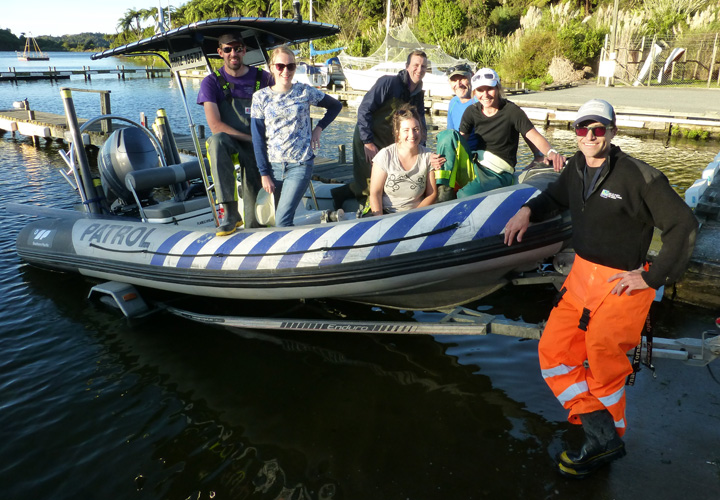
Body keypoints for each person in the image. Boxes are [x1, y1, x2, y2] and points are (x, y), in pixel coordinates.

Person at [503, 99, 698, 479]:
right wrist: (527, 210)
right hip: (581, 277)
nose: (590, 136)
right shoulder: (576, 167)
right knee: (554, 350)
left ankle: (606, 439)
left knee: (603, 359)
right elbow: (556, 197)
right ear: (575, 132)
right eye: (582, 129)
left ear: (612, 131)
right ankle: (592, 417)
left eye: (598, 129)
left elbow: (684, 226)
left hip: (622, 283)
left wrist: (652, 276)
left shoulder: (640, 177)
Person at [435, 67, 566, 200]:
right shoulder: (471, 111)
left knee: (465, 195)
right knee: (448, 135)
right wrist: (436, 159)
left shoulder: (512, 111)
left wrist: (549, 153)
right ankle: (443, 192)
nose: (485, 95)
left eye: (489, 89)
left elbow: (533, 136)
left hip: (498, 172)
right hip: (475, 164)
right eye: (480, 90)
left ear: (498, 88)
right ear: (475, 92)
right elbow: (458, 141)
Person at [250, 46, 342, 227]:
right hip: (273, 166)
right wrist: (264, 173)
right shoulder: (260, 97)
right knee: (272, 219)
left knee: (282, 220)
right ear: (271, 67)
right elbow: (258, 137)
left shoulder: (304, 91)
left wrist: (319, 128)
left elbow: (335, 106)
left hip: (300, 163)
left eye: (291, 66)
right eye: (280, 66)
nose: (286, 71)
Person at [197, 32, 273, 236]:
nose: (233, 53)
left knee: (254, 219)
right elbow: (215, 125)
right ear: (220, 52)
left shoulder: (263, 78)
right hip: (234, 141)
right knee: (216, 141)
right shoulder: (211, 82)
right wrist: (252, 139)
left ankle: (255, 223)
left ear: (244, 50)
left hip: (259, 144)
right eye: (228, 49)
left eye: (238, 48)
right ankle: (229, 212)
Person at [332, 50, 428, 209]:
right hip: (368, 137)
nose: (420, 69)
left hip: (389, 142)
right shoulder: (388, 83)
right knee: (369, 182)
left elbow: (420, 122)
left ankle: (340, 193)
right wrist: (367, 142)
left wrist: (423, 148)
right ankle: (367, 210)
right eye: (416, 65)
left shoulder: (418, 93)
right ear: (407, 66)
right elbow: (364, 109)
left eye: (423, 66)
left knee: (387, 182)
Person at [368, 104, 437, 215]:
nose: (412, 135)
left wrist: (411, 217)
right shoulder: (384, 156)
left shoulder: (428, 156)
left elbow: (432, 194)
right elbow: (375, 193)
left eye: (416, 129)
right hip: (387, 213)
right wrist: (379, 220)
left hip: (417, 214)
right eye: (406, 130)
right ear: (397, 133)